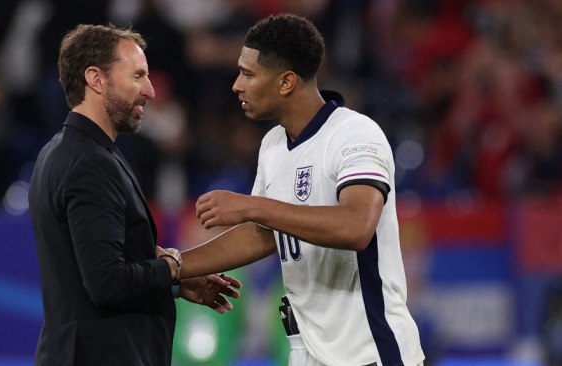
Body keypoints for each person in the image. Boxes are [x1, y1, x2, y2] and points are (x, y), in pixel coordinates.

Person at [179, 13, 425, 366]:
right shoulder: (274, 145)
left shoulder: (355, 135)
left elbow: (356, 227)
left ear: (286, 82)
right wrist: (175, 266)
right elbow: (263, 236)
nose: (236, 85)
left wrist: (254, 206)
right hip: (306, 352)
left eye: (248, 74)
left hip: (368, 352)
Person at [27, 23, 241, 366]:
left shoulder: (65, 151)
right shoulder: (88, 163)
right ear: (96, 79)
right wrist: (173, 267)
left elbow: (100, 263)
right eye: (138, 76)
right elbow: (106, 282)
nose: (151, 91)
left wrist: (172, 283)